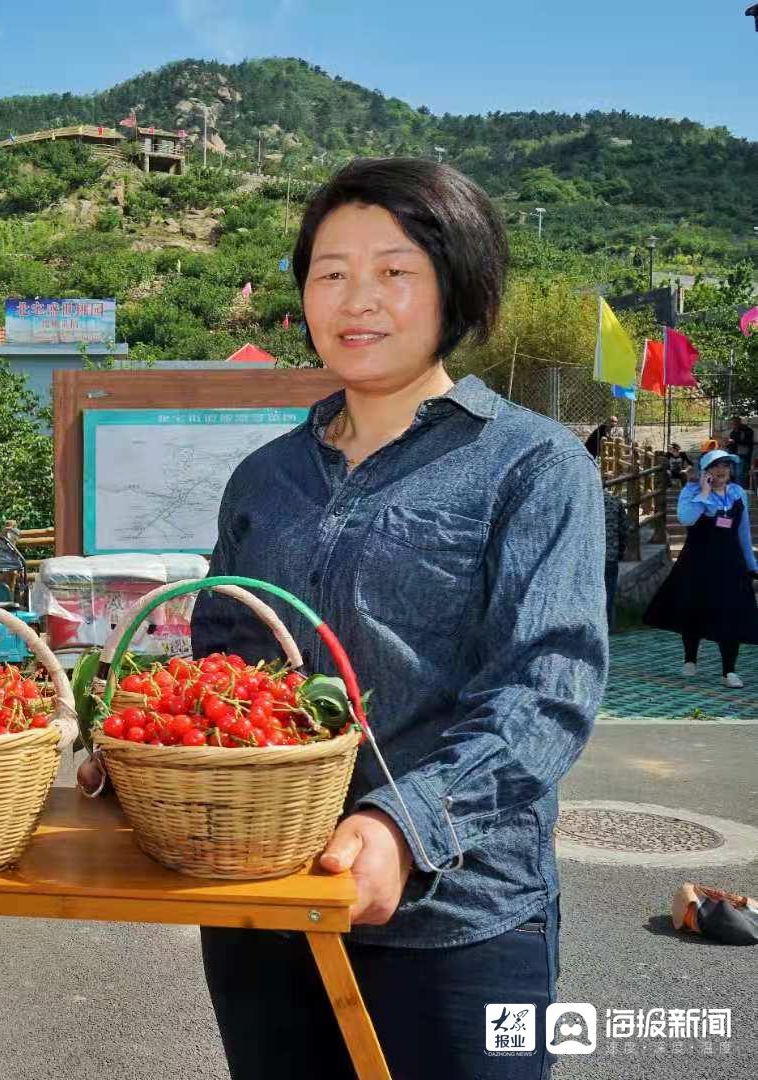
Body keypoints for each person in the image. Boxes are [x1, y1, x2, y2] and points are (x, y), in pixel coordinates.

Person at [186, 158, 607, 1080]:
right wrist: (159, 755)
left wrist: (401, 825)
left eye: (394, 270)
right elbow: (219, 651)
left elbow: (548, 689)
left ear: (456, 286)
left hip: (462, 922)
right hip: (266, 900)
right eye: (331, 272)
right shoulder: (265, 477)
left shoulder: (532, 467)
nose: (357, 299)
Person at [643, 449, 758, 689]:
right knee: (694, 610)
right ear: (706, 471)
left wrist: (751, 564)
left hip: (730, 563)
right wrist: (704, 493)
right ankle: (690, 659)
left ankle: (729, 671)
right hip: (698, 563)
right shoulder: (691, 492)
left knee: (731, 614)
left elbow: (743, 532)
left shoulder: (737, 494)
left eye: (725, 466)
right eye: (716, 466)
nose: (722, 470)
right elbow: (687, 519)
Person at [602, 486, 629, 629]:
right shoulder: (615, 501)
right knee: (609, 594)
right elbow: (624, 530)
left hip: (590, 558)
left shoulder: (585, 502)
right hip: (610, 556)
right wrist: (621, 551)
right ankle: (609, 626)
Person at [730, 415, 755, 488]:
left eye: (734, 423)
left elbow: (748, 443)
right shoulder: (734, 431)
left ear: (738, 423)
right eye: (732, 424)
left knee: (739, 473)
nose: (733, 425)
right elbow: (733, 442)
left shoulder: (747, 431)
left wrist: (734, 441)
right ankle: (736, 489)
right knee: (734, 473)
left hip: (741, 454)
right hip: (734, 453)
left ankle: (739, 491)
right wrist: (728, 443)